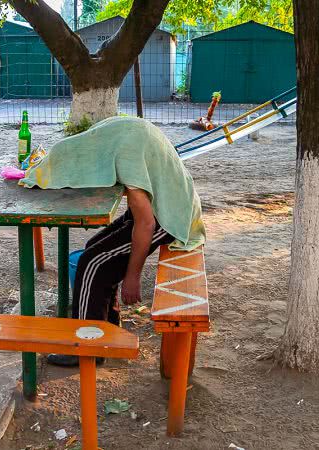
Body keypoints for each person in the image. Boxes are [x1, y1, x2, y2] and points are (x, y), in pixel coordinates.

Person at [19, 116, 206, 367]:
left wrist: (133, 276)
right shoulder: (106, 135)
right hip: (169, 202)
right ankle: (106, 327)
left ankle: (86, 350)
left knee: (91, 263)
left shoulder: (123, 156)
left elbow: (147, 224)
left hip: (173, 218)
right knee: (93, 249)